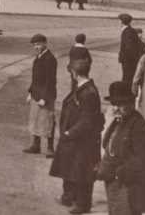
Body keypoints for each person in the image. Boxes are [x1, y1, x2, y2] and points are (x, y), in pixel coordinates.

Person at [98, 81, 145, 215]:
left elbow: (142, 160)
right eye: (115, 104)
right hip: (114, 184)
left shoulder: (139, 126)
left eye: (121, 104)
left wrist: (119, 172)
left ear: (131, 103)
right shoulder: (118, 121)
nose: (117, 108)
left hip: (128, 186)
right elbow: (108, 145)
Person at [50, 56, 102, 214]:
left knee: (83, 172)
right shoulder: (82, 88)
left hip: (82, 139)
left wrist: (69, 132)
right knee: (71, 168)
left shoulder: (88, 92)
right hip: (75, 139)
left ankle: (83, 204)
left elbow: (87, 121)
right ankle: (69, 197)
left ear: (74, 73)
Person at [25, 33, 58, 157]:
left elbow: (50, 81)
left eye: (38, 44)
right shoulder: (38, 57)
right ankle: (36, 145)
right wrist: (30, 92)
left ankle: (50, 148)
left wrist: (45, 98)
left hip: (46, 96)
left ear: (45, 43)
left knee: (48, 121)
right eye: (34, 45)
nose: (36, 47)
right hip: (36, 94)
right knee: (35, 120)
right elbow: (35, 78)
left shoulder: (50, 59)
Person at [118, 14, 144, 86]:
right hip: (129, 60)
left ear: (122, 22)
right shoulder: (130, 30)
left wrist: (125, 58)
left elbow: (129, 47)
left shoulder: (127, 32)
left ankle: (127, 93)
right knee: (128, 77)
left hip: (128, 61)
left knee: (127, 78)